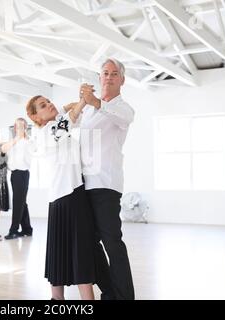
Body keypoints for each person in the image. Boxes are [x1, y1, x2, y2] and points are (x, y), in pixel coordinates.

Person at [26, 95, 95, 300]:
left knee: (68, 253)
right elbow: (66, 123)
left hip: (68, 196)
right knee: (75, 255)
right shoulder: (45, 132)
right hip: (67, 198)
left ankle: (60, 300)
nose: (49, 105)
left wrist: (69, 106)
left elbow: (71, 118)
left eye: (48, 101)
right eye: (43, 105)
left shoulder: (55, 126)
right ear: (35, 117)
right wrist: (82, 100)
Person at [79, 58, 135, 300]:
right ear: (99, 78)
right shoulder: (89, 110)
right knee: (89, 244)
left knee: (112, 242)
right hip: (84, 185)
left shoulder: (123, 108)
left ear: (121, 80)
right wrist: (84, 103)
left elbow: (123, 118)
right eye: (105, 73)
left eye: (114, 74)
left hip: (106, 185)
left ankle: (124, 297)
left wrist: (96, 102)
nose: (109, 77)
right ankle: (110, 291)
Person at [4, 118, 33, 240]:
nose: (18, 128)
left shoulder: (28, 141)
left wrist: (22, 137)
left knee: (18, 202)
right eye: (16, 125)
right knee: (21, 202)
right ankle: (27, 229)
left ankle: (13, 230)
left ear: (25, 127)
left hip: (22, 174)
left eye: (21, 125)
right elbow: (4, 149)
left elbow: (33, 150)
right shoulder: (13, 141)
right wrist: (16, 138)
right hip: (14, 175)